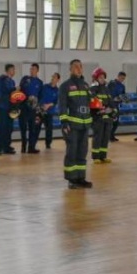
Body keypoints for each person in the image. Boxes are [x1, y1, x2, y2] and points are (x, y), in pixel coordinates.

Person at [59, 59, 93, 189]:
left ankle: (80, 178)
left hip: (85, 125)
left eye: (80, 66)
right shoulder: (65, 86)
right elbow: (62, 106)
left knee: (82, 152)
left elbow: (91, 103)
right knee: (72, 152)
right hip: (72, 126)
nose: (78, 69)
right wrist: (64, 122)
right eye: (75, 67)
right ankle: (71, 179)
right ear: (70, 69)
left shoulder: (86, 85)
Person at [90, 68, 115, 164]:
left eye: (103, 77)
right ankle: (96, 157)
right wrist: (101, 108)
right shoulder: (93, 89)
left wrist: (112, 109)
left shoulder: (106, 89)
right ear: (96, 78)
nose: (102, 79)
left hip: (107, 118)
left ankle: (103, 156)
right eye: (100, 77)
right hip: (97, 117)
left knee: (105, 137)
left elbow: (111, 101)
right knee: (98, 137)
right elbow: (93, 101)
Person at [19, 63, 43, 154]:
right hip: (24, 107)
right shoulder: (25, 79)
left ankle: (31, 147)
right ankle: (23, 147)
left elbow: (40, 96)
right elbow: (19, 91)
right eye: (31, 69)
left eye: (33, 69)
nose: (31, 70)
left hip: (33, 109)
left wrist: (37, 104)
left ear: (37, 70)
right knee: (23, 128)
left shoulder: (40, 82)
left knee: (32, 128)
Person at [0, 63, 17, 155]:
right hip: (3, 106)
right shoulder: (2, 79)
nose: (14, 71)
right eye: (13, 69)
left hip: (11, 107)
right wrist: (15, 89)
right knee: (2, 127)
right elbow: (6, 90)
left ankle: (7, 146)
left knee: (9, 127)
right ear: (9, 70)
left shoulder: (12, 81)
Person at [39, 73, 60, 149]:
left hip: (49, 112)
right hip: (40, 111)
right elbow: (39, 96)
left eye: (54, 77)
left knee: (49, 129)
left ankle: (48, 144)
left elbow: (55, 101)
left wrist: (48, 105)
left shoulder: (57, 91)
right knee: (36, 127)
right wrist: (42, 105)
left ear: (58, 80)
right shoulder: (45, 87)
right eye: (52, 76)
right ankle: (32, 144)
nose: (52, 78)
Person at [108, 71, 127, 142]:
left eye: (123, 79)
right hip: (110, 106)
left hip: (116, 106)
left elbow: (123, 96)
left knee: (116, 122)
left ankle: (112, 135)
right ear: (118, 76)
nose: (122, 80)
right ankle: (109, 136)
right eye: (121, 78)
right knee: (110, 122)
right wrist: (113, 98)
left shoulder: (122, 86)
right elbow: (108, 93)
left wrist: (123, 99)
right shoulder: (111, 83)